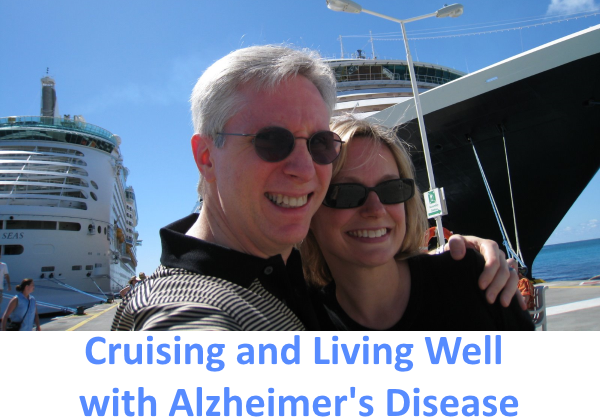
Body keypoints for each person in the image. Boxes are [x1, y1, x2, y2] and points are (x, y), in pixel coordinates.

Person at [112, 45, 521, 331]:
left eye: (320, 143)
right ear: (206, 157)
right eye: (271, 141)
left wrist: (467, 258)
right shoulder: (185, 307)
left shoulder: (287, 277)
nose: (304, 168)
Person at [302, 115, 533, 330]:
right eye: (346, 193)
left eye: (392, 189)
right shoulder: (301, 318)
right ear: (309, 210)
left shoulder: (473, 281)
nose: (375, 209)